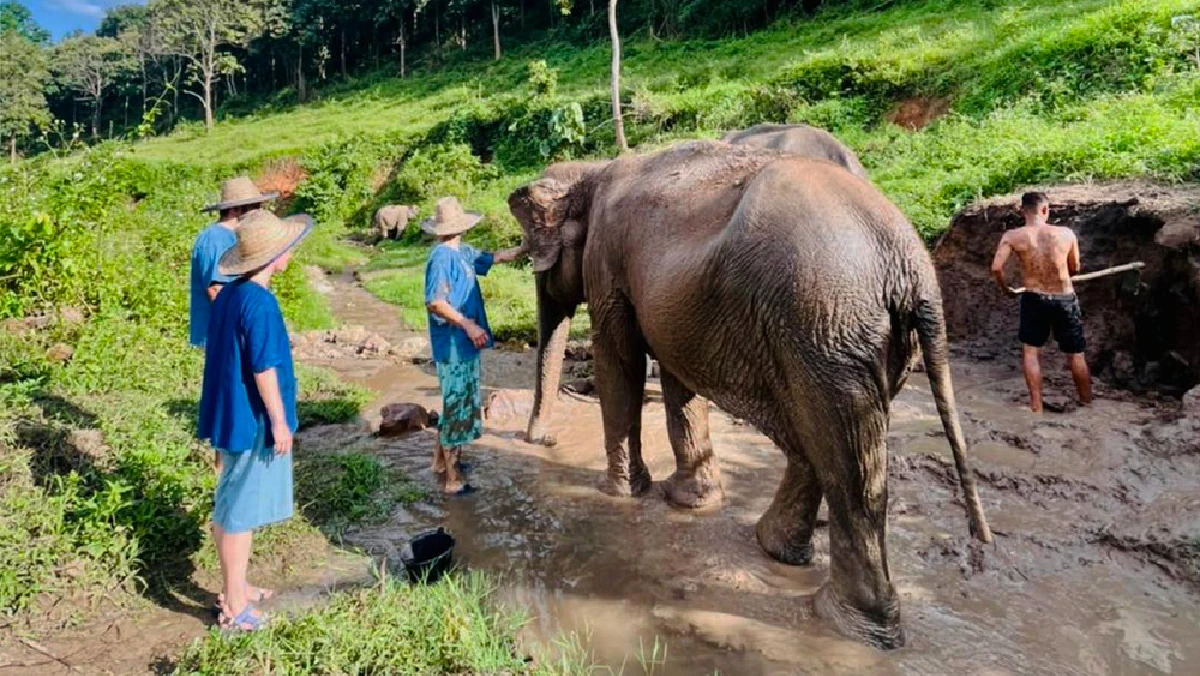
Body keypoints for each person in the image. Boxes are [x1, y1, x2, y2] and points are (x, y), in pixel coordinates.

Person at [198, 208, 312, 631]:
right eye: (288, 246)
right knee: (239, 515)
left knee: (229, 503)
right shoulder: (261, 303)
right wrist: (280, 423)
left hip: (229, 414)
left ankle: (237, 586)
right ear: (275, 255)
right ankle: (233, 607)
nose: (293, 250)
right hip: (252, 421)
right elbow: (264, 368)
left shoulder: (228, 293)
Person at [422, 197, 526, 495]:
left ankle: (439, 464)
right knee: (457, 407)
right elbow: (435, 302)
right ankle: (454, 480)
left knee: (455, 403)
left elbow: (493, 258)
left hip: (464, 344)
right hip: (454, 345)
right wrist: (468, 324)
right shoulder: (442, 256)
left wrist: (525, 248)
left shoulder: (462, 253)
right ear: (460, 225)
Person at [190, 177, 278, 476]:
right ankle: (224, 469)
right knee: (231, 398)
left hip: (231, 332)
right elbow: (215, 289)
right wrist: (243, 325)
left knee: (237, 396)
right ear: (239, 209)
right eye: (255, 208)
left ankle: (235, 463)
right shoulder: (216, 239)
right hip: (225, 334)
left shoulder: (230, 235)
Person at [991, 192, 1092, 413]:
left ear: (1022, 211)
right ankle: (1086, 402)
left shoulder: (1013, 236)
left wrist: (1006, 289)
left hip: (1034, 298)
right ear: (1046, 210)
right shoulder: (1066, 234)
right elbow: (1075, 267)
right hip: (1064, 297)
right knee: (1075, 353)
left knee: (1031, 352)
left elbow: (997, 268)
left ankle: (1036, 406)